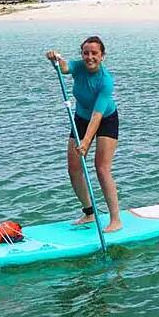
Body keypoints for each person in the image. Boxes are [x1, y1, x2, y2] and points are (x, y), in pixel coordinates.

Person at [45, 36, 123, 232]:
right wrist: (55, 59)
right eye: (86, 53)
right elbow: (64, 68)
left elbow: (97, 116)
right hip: (80, 118)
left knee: (102, 168)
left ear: (102, 56)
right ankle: (89, 212)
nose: (89, 57)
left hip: (105, 119)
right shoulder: (79, 67)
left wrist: (87, 141)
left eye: (94, 53)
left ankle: (115, 220)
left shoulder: (106, 82)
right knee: (74, 168)